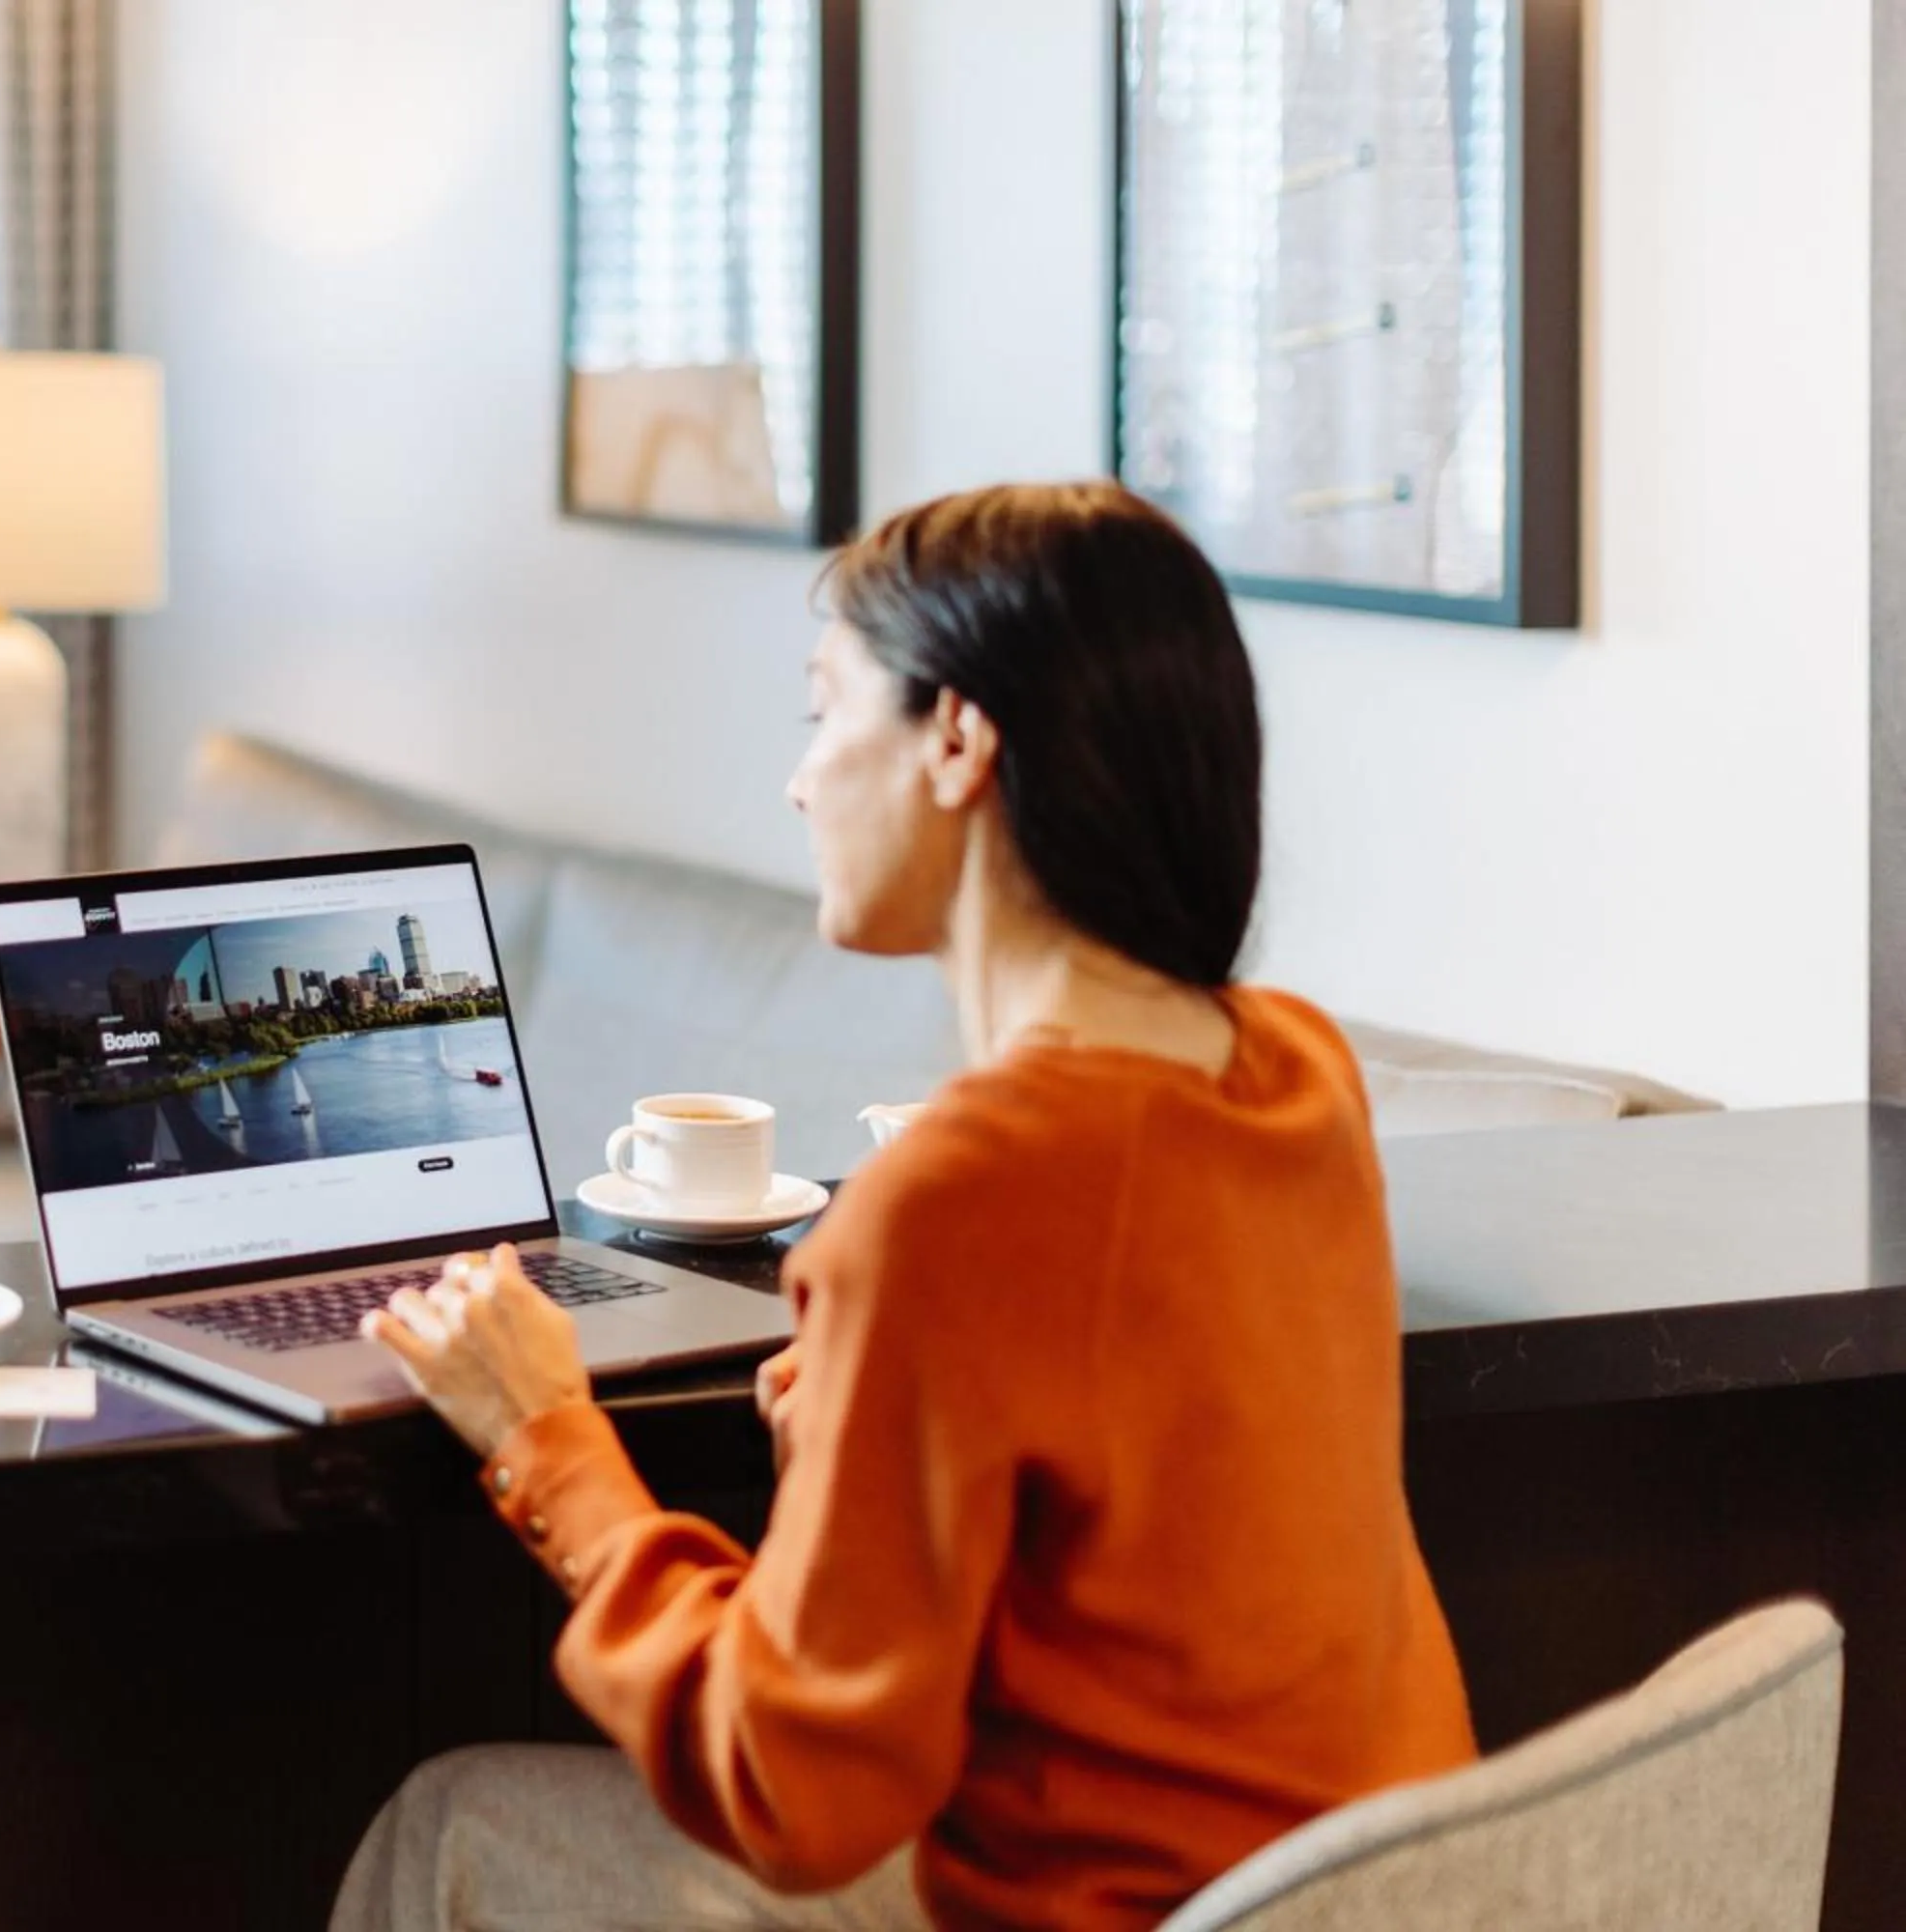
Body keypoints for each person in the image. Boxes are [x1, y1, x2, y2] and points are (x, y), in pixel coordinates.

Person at [333, 482, 1477, 1930]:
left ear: (956, 741)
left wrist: (546, 1443)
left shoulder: (953, 1203)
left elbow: (790, 1792)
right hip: (1380, 1889)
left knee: (451, 1826)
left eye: (824, 712)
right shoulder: (1295, 1069)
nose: (800, 782)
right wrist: (866, 1422)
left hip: (1117, 1913)